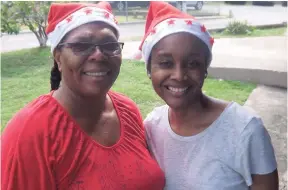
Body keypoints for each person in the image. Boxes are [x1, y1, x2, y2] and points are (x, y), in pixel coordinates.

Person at [1, 2, 165, 190]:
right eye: (81, 45)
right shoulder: (30, 132)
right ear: (58, 57)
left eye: (109, 44)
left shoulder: (128, 110)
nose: (98, 55)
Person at [133, 1, 279, 190]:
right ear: (149, 70)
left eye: (192, 63)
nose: (179, 75)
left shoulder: (245, 130)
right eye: (165, 63)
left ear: (205, 68)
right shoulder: (152, 126)